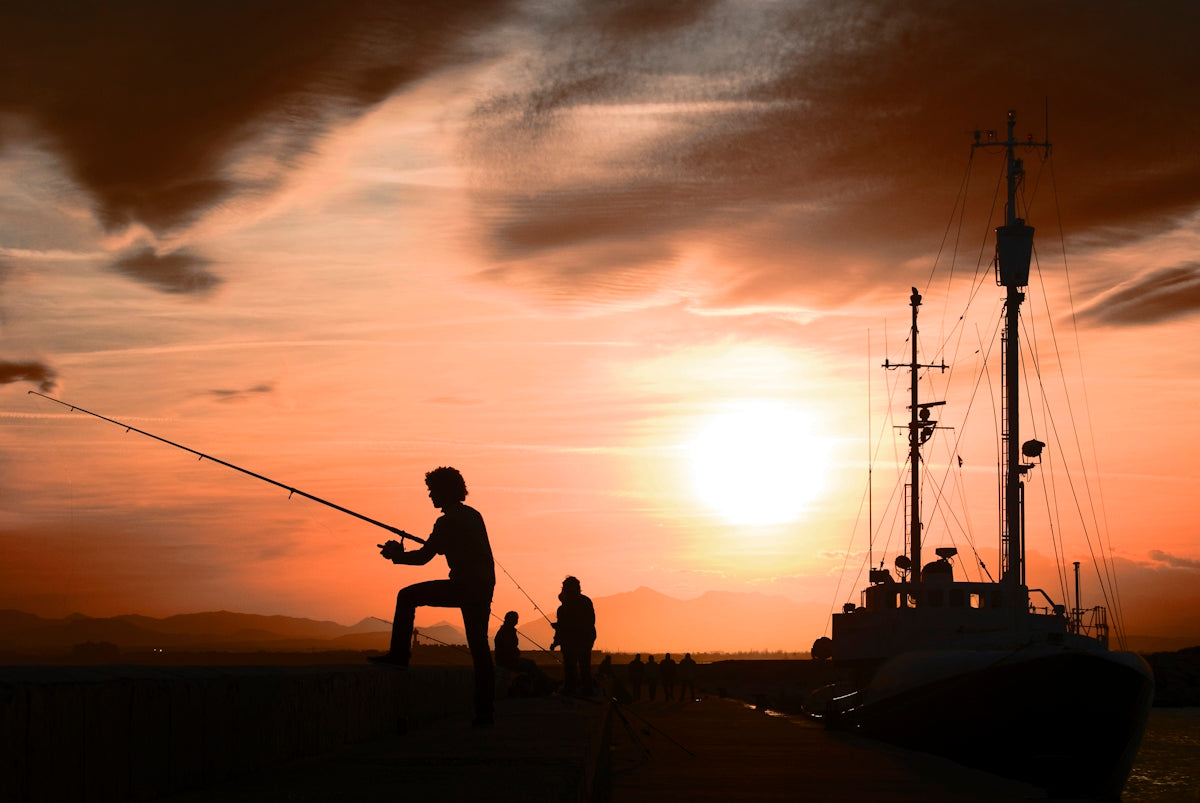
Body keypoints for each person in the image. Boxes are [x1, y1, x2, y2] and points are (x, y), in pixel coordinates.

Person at [371, 466, 496, 726]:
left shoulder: (447, 521)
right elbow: (444, 547)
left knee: (406, 596)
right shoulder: (473, 515)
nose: (430, 496)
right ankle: (485, 713)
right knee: (479, 646)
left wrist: (396, 556)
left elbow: (424, 557)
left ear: (444, 491)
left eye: (432, 491)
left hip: (464, 586)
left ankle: (399, 656)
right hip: (483, 586)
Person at [550, 576, 596, 696]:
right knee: (584, 667)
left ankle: (570, 690)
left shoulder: (563, 608)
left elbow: (562, 627)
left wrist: (556, 641)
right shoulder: (586, 602)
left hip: (572, 641)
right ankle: (587, 691)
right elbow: (590, 622)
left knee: (570, 668)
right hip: (585, 640)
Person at [493, 610, 552, 696]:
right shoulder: (506, 632)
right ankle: (543, 685)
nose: (516, 621)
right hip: (508, 661)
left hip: (507, 660)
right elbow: (508, 648)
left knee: (530, 664)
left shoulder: (506, 630)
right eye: (515, 619)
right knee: (531, 664)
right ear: (509, 620)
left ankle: (542, 685)